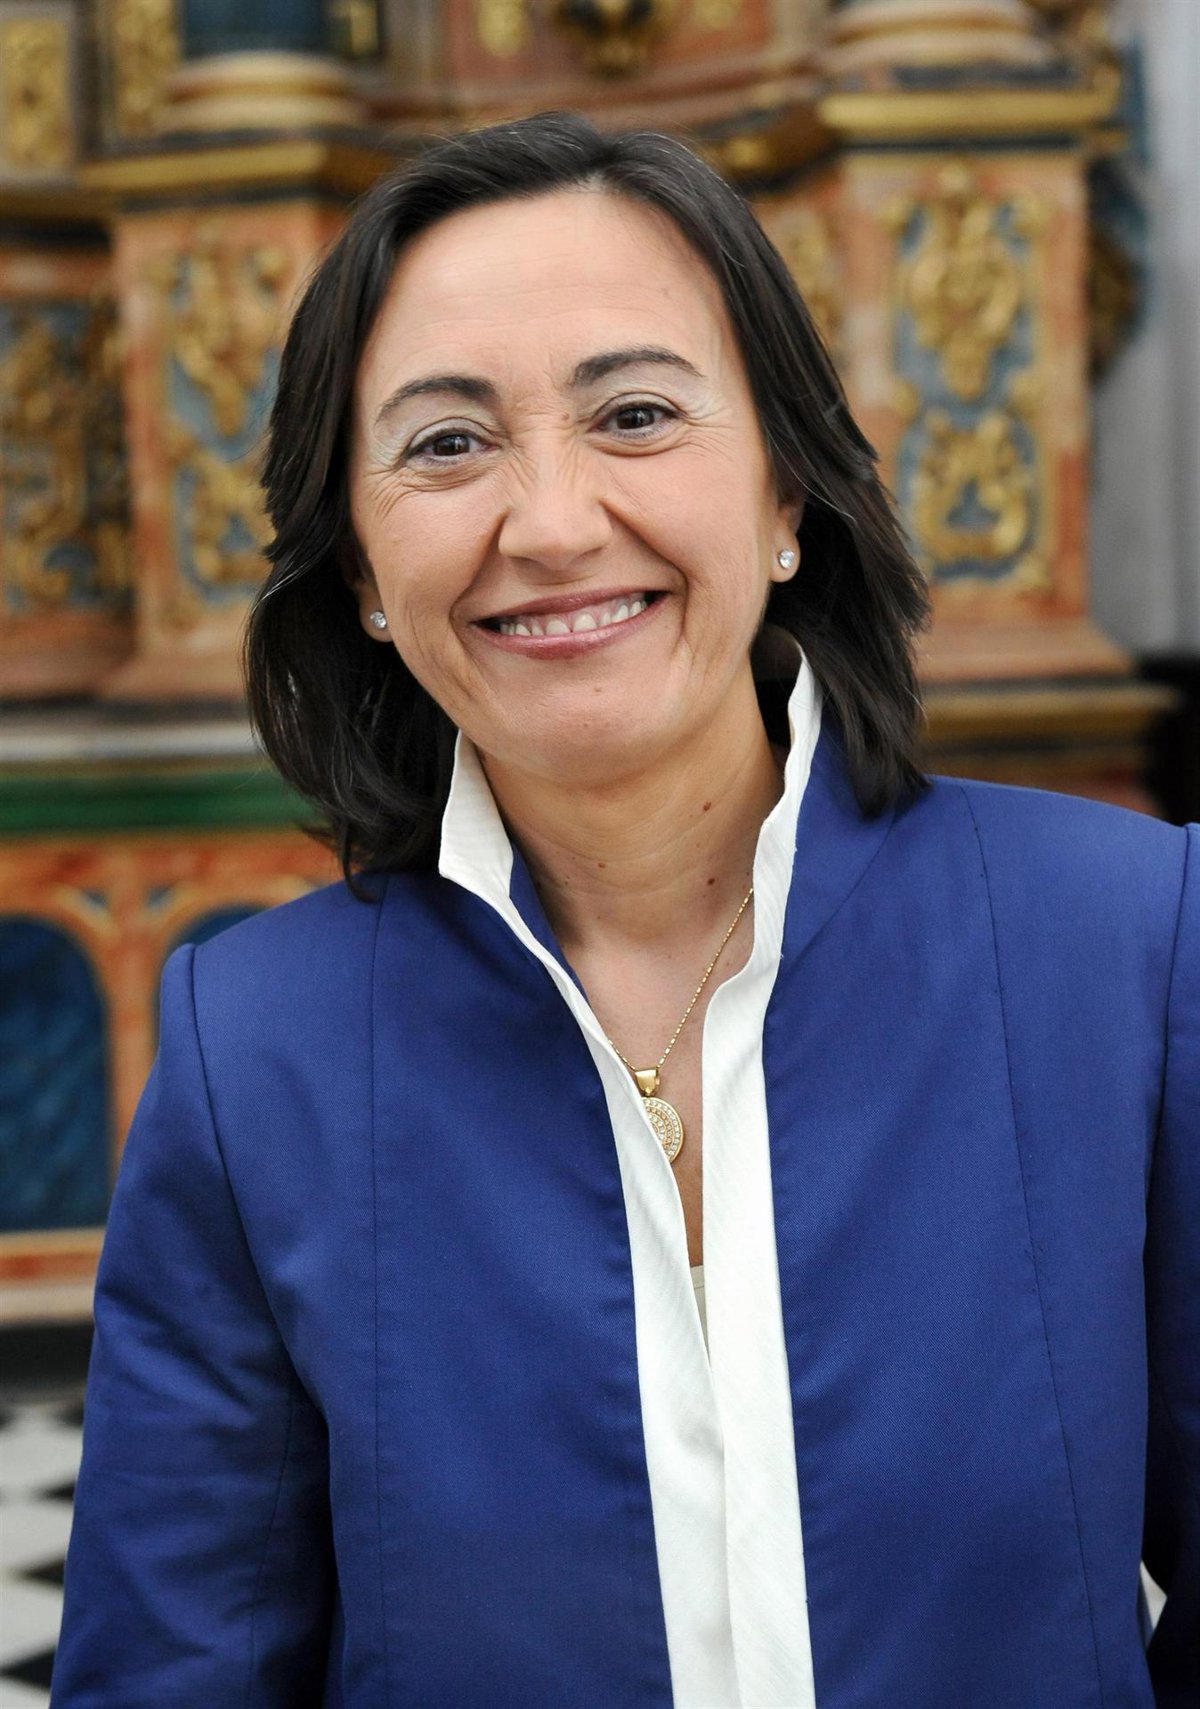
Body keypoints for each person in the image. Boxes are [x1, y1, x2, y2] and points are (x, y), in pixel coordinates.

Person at [52, 111, 1197, 1709]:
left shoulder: (1124, 942)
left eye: (636, 414)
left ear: (789, 493)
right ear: (364, 573)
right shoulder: (258, 1056)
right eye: (447, 444)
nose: (553, 521)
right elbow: (176, 1672)